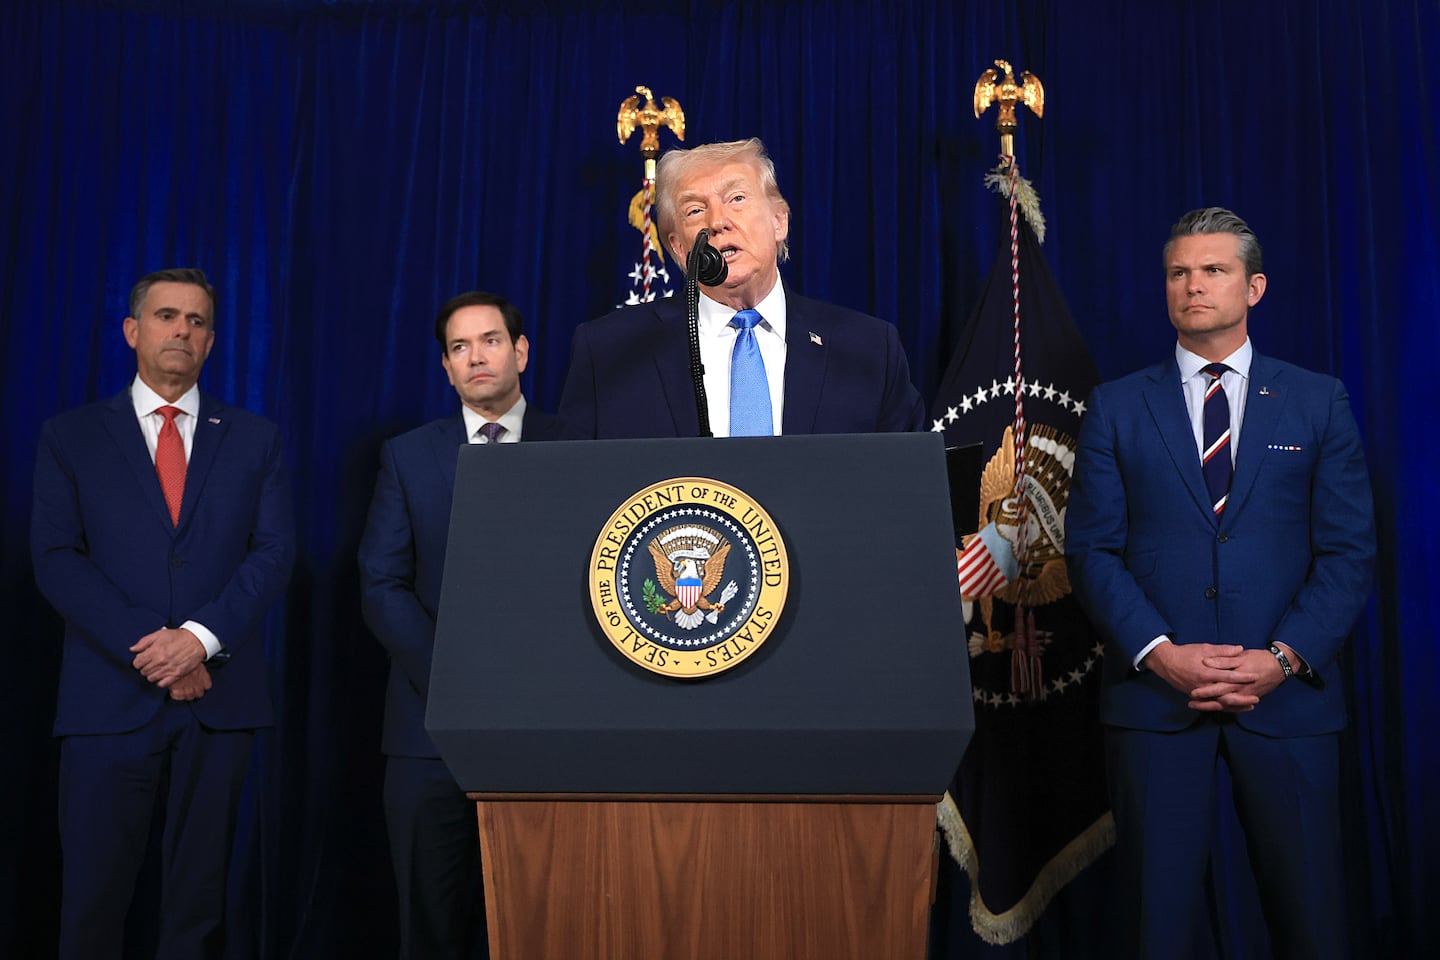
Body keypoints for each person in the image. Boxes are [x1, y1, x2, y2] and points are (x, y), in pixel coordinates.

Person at [1066, 208, 1375, 959]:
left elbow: (1348, 552)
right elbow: (1093, 551)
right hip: (1155, 702)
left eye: (1213, 270)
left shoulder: (1317, 400)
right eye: (1179, 273)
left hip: (1288, 703)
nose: (1193, 285)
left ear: (1253, 287)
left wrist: (1283, 658)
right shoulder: (1117, 405)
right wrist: (1160, 653)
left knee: (1312, 924)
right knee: (1154, 929)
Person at [31, 268, 295, 959]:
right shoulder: (71, 436)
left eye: (197, 321)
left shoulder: (255, 438)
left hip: (219, 701)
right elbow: (56, 558)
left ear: (211, 341)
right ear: (132, 330)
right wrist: (157, 650)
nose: (182, 330)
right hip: (107, 700)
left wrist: (199, 641)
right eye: (167, 315)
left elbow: (273, 553)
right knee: (92, 905)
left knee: (197, 911)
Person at [358, 291, 561, 959]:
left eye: (490, 340)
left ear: (521, 351)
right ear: (446, 367)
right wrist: (453, 680)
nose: (476, 357)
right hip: (429, 736)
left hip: (553, 732)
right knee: (433, 930)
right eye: (459, 347)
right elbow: (382, 583)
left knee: (545, 925)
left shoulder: (579, 445)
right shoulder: (407, 457)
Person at [558, 137, 925, 438]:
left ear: (779, 221)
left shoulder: (869, 351)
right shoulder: (609, 354)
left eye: (737, 199)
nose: (718, 221)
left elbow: (907, 487)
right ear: (679, 248)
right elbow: (573, 488)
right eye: (695, 210)